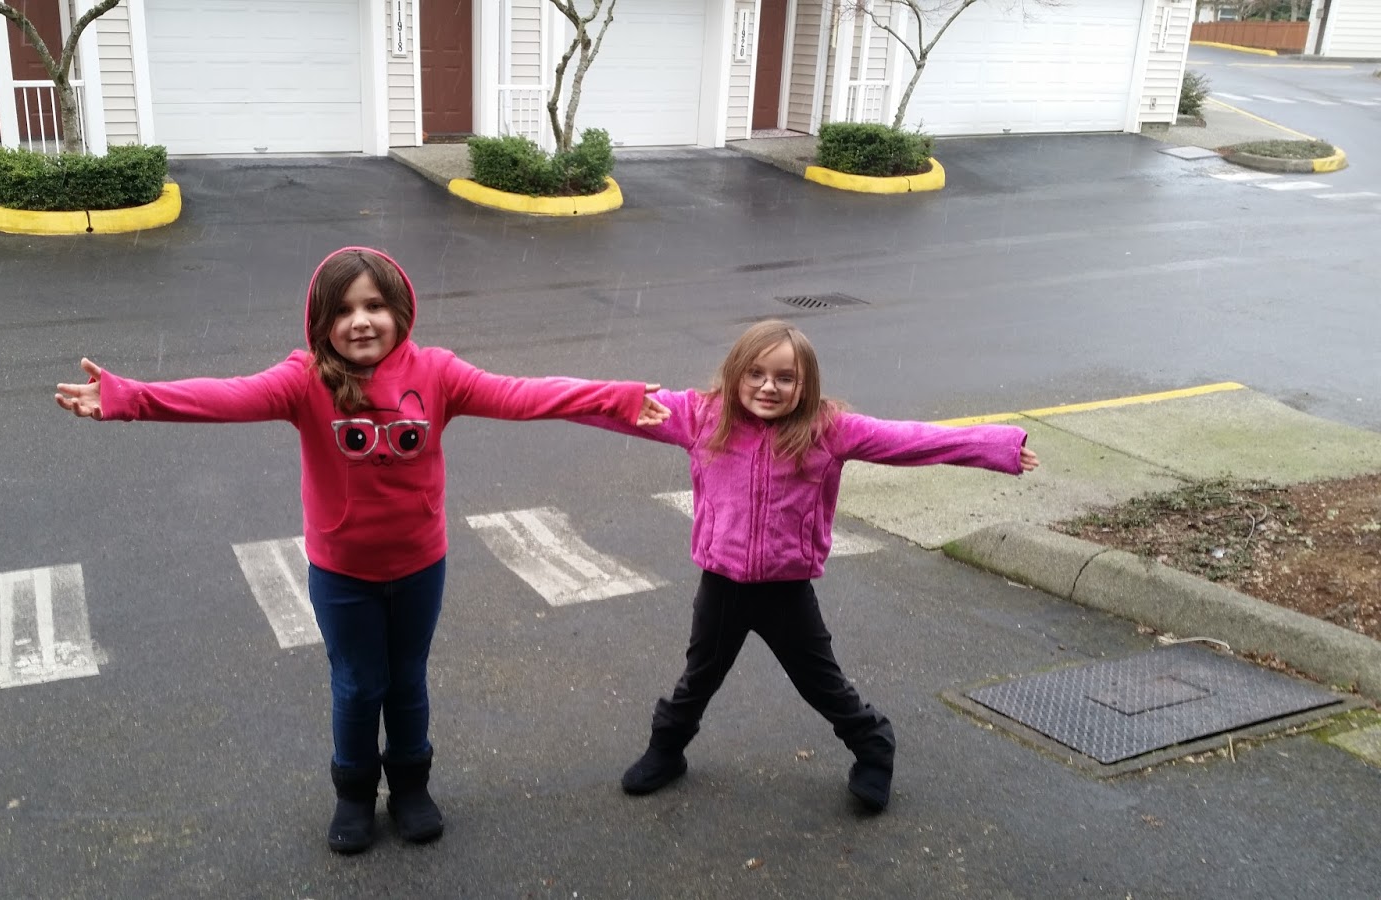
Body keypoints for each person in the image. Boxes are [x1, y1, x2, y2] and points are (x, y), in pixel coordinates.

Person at [54, 247, 669, 854]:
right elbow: (224, 397)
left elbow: (520, 394)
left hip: (420, 565)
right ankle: (353, 794)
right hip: (342, 572)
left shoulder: (438, 374)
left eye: (375, 306)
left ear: (400, 310)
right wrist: (129, 398)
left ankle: (410, 786)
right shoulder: (305, 380)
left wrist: (610, 396)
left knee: (406, 681)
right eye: (343, 311)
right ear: (321, 322)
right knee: (357, 684)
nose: (361, 322)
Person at [571, 319, 1037, 813]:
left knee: (821, 683)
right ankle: (666, 750)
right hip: (721, 585)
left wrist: (998, 446)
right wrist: (530, 399)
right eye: (755, 373)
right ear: (734, 374)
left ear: (805, 384)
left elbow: (910, 440)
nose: (768, 387)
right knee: (698, 677)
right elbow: (614, 407)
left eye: (785, 378)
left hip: (786, 591)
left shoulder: (827, 431)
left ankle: (874, 749)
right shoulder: (702, 417)